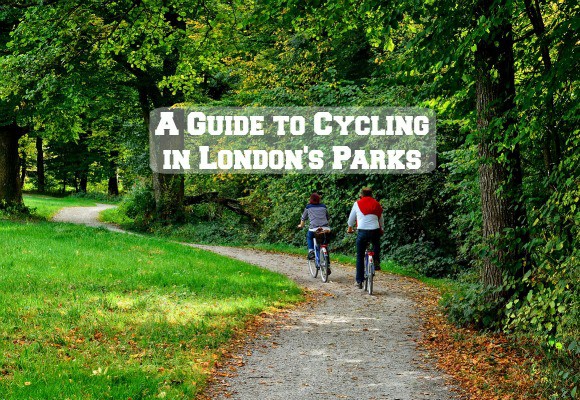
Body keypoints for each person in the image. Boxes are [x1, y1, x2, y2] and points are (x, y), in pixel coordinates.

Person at [347, 187, 384, 288]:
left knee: (360, 256)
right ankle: (376, 260)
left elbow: (351, 220)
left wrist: (350, 228)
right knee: (376, 243)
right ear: (371, 195)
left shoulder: (357, 203)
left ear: (361, 195)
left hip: (362, 231)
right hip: (375, 230)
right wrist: (382, 228)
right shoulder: (376, 203)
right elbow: (381, 218)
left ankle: (359, 281)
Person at [297, 192, 331, 274]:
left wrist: (301, 225)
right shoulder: (324, 206)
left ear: (311, 199)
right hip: (325, 228)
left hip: (314, 229)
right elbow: (328, 217)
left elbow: (303, 218)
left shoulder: (308, 207)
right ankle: (327, 264)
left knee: (309, 236)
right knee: (324, 245)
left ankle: (311, 251)